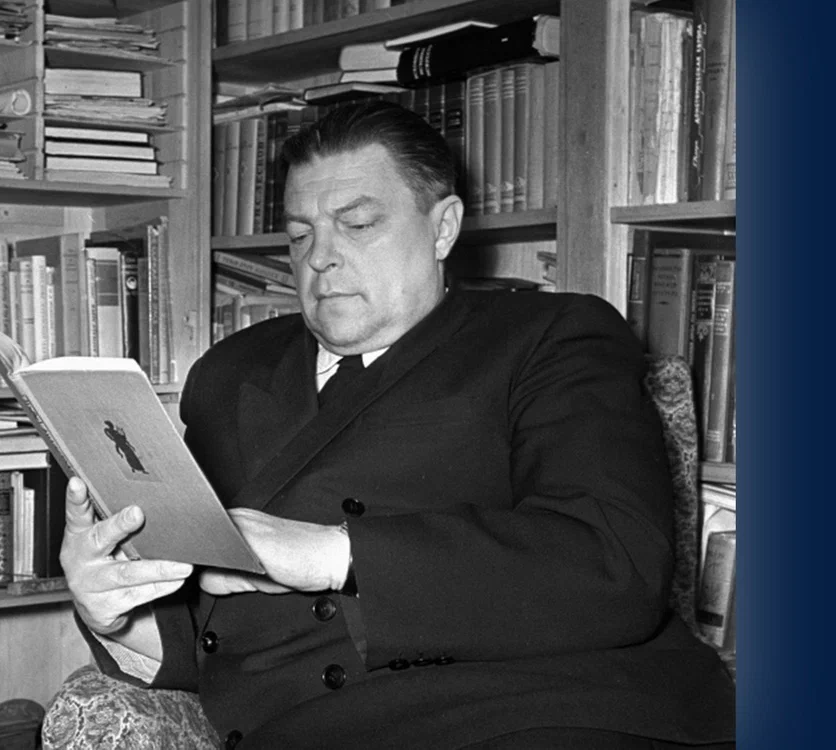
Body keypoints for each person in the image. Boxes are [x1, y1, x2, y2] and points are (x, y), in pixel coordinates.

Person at [60, 100, 736, 749]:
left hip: (543, 709)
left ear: (443, 228)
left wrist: (332, 554)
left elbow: (613, 563)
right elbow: (210, 636)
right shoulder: (230, 372)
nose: (320, 257)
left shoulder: (550, 337)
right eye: (300, 234)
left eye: (357, 224)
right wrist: (113, 607)